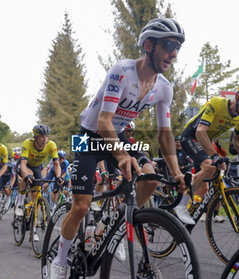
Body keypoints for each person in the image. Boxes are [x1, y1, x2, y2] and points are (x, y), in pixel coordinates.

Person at [48, 17, 187, 279]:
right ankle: (60, 259)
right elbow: (103, 121)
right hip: (90, 136)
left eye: (178, 47)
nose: (174, 53)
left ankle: (114, 223)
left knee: (151, 178)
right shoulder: (122, 71)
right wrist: (121, 155)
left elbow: (165, 133)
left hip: (118, 134)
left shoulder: (164, 88)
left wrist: (176, 172)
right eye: (169, 45)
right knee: (81, 206)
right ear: (149, 45)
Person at [181, 79, 239, 224]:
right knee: (210, 165)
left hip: (205, 142)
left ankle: (187, 208)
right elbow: (200, 131)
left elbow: (238, 140)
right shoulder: (216, 103)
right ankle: (180, 205)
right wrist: (214, 156)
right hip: (191, 136)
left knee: (207, 182)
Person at [15, 124, 62, 236]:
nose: (45, 139)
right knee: (28, 175)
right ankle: (20, 204)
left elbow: (56, 163)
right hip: (24, 166)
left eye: (46, 136)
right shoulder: (28, 143)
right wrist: (25, 175)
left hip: (37, 167)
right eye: (42, 136)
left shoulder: (51, 145)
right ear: (35, 137)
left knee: (36, 196)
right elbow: (23, 164)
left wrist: (59, 176)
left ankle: (33, 225)